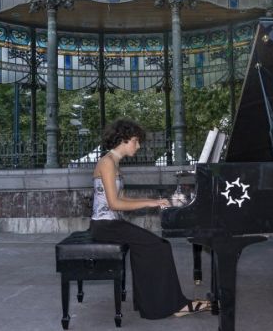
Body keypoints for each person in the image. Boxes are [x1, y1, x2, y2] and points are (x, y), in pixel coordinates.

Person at [89, 119, 210, 319]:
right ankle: (168, 306)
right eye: (135, 141)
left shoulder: (112, 162)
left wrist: (154, 200)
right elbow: (114, 204)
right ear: (124, 140)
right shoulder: (107, 163)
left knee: (155, 245)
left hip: (111, 224)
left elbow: (121, 198)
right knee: (159, 246)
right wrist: (151, 204)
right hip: (105, 225)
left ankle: (151, 302)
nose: (138, 145)